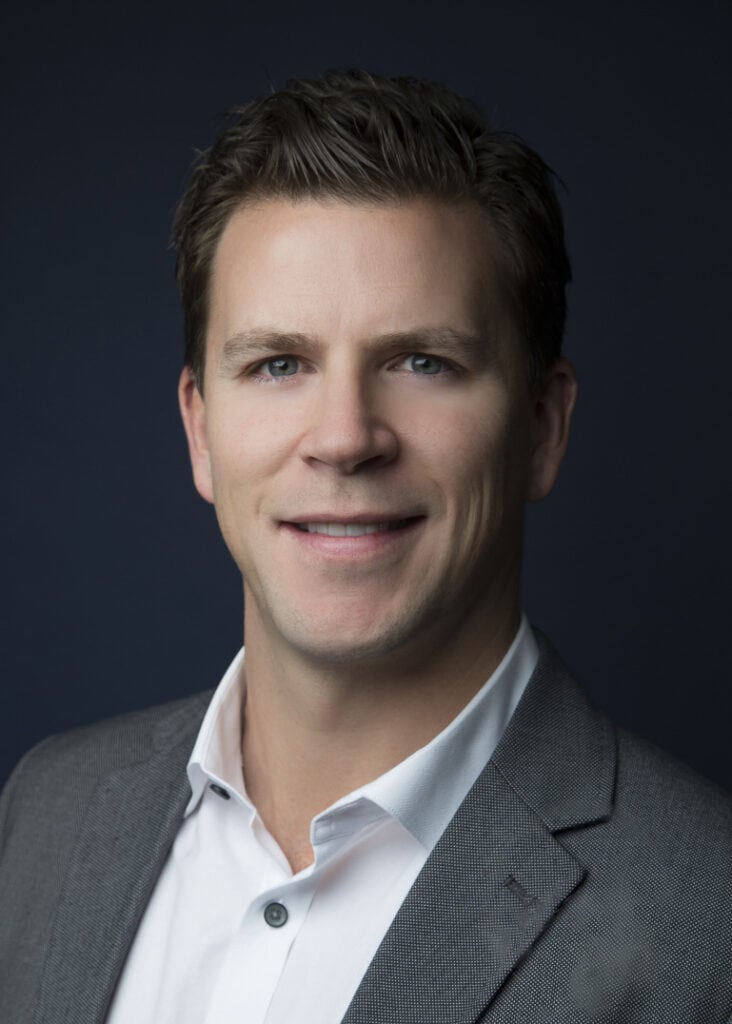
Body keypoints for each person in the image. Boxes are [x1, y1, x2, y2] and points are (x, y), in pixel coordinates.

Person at [1, 70, 730, 1024]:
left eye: (422, 363)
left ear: (544, 428)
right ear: (200, 431)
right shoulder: (43, 815)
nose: (345, 437)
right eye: (279, 364)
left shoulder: (706, 924)